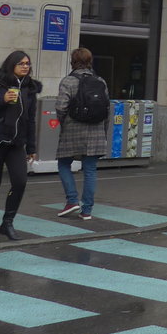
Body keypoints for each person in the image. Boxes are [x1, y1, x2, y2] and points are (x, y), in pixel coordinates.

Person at [0, 50, 40, 243]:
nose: (25, 66)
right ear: (11, 65)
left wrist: (32, 148)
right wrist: (1, 101)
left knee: (20, 182)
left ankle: (7, 223)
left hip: (16, 143)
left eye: (27, 63)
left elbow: (31, 120)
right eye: (21, 63)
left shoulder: (30, 88)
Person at [55, 47, 110, 220]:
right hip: (96, 131)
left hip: (73, 129)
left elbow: (60, 107)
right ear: (90, 61)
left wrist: (64, 124)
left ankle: (72, 200)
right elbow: (106, 109)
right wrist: (103, 131)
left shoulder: (68, 81)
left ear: (73, 61)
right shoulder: (100, 81)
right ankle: (87, 211)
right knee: (90, 170)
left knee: (64, 164)